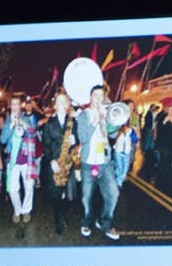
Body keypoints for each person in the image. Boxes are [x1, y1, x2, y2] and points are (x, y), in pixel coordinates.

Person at [75, 85, 120, 240]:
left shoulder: (106, 114)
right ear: (90, 97)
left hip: (105, 162)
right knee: (86, 196)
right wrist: (96, 120)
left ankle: (105, 221)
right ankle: (86, 221)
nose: (99, 99)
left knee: (113, 193)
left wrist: (112, 121)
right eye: (95, 95)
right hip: (88, 163)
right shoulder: (83, 115)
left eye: (101, 96)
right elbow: (83, 138)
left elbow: (113, 135)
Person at [0, 95, 40, 224]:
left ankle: (26, 210)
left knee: (29, 186)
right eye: (13, 104)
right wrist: (11, 125)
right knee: (12, 188)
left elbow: (33, 133)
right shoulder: (6, 122)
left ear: (20, 106)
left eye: (18, 104)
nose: (16, 107)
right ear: (11, 106)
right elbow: (2, 140)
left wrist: (24, 125)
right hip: (13, 161)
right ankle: (17, 210)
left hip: (27, 159)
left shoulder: (27, 118)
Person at [39, 92, 76, 234]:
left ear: (67, 105)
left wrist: (75, 140)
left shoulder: (73, 122)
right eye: (58, 102)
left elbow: (78, 139)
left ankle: (61, 212)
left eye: (64, 102)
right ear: (54, 106)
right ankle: (58, 218)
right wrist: (51, 161)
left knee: (71, 196)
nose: (61, 104)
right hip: (55, 163)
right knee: (55, 194)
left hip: (69, 163)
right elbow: (46, 145)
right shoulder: (48, 124)